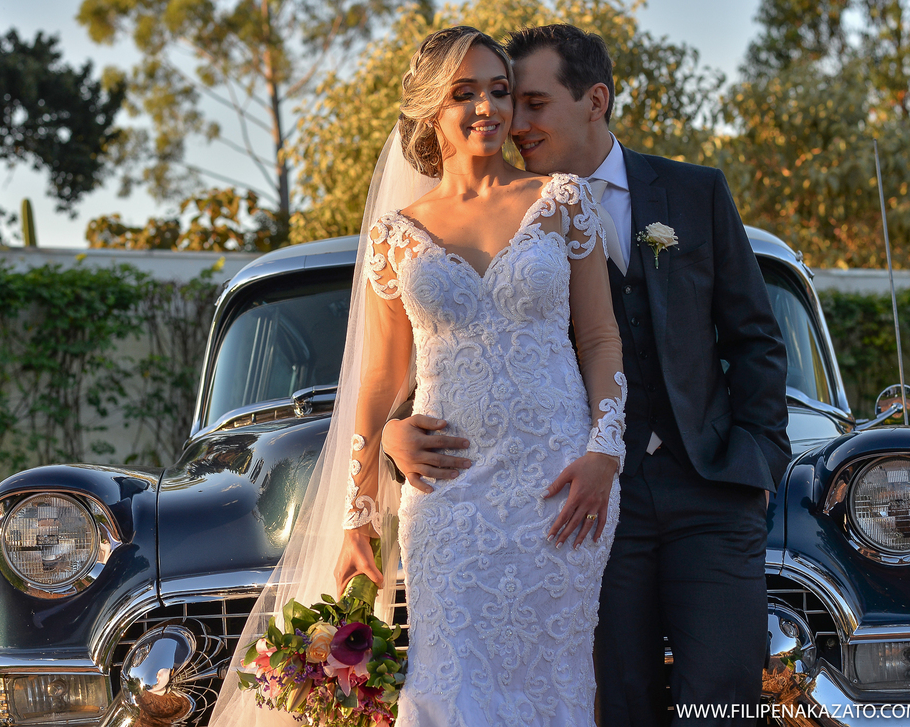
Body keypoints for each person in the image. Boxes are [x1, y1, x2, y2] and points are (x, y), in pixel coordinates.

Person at [211, 24, 628, 727]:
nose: (487, 108)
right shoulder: (395, 235)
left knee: (557, 684)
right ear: (432, 107)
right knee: (447, 687)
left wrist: (604, 453)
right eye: (465, 93)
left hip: (559, 489)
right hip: (448, 498)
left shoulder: (563, 201)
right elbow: (378, 383)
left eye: (499, 91)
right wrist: (360, 513)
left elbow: (599, 338)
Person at [381, 24, 791, 727]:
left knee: (722, 699)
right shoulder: (518, 214)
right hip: (579, 497)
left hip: (711, 492)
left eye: (530, 101)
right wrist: (393, 435)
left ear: (594, 100)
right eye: (506, 99)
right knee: (617, 700)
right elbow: (445, 350)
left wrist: (757, 463)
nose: (512, 120)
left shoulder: (694, 192)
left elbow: (754, 337)